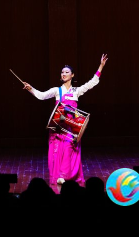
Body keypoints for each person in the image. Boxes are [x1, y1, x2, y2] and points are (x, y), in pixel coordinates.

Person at [23, 54, 109, 186]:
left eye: (67, 72)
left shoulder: (76, 91)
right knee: (57, 152)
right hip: (58, 127)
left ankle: (64, 176)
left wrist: (101, 66)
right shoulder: (56, 90)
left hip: (71, 128)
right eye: (62, 72)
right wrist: (31, 89)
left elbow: (92, 83)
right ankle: (59, 176)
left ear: (72, 75)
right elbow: (41, 96)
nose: (63, 74)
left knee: (69, 150)